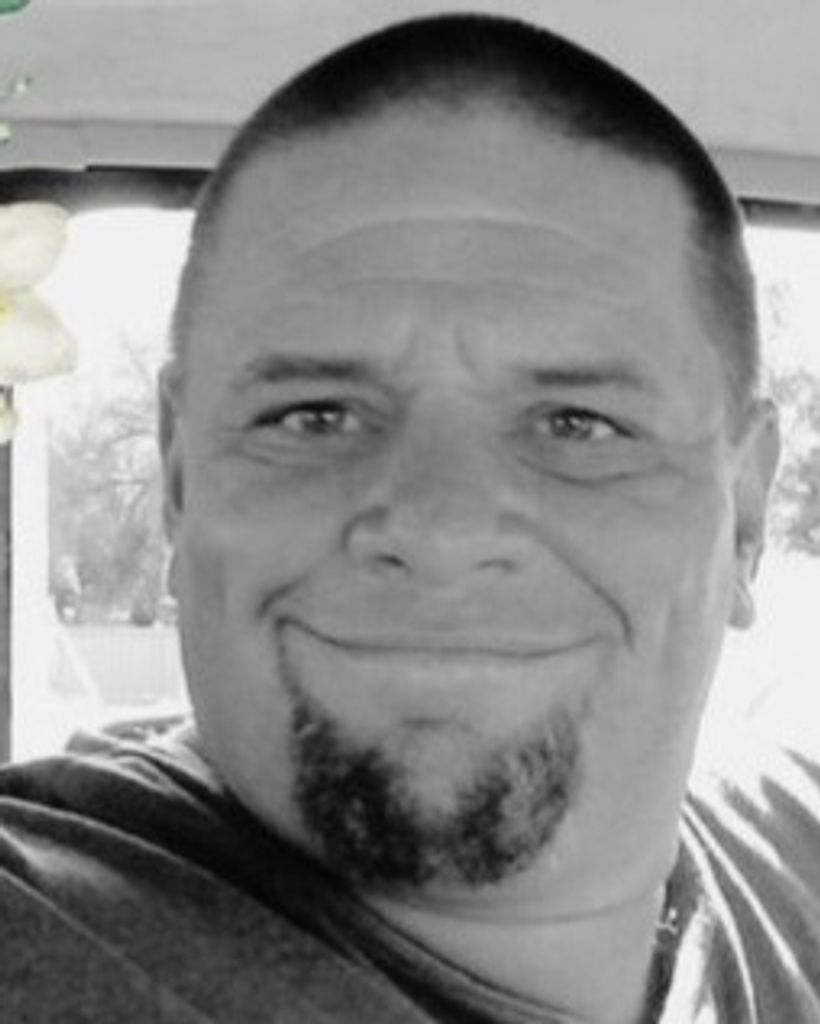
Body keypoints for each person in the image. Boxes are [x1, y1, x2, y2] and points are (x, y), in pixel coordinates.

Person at [1, 12, 817, 1023]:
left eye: (578, 424)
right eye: (314, 415)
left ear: (745, 513)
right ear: (180, 483)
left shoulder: (790, 846)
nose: (439, 532)